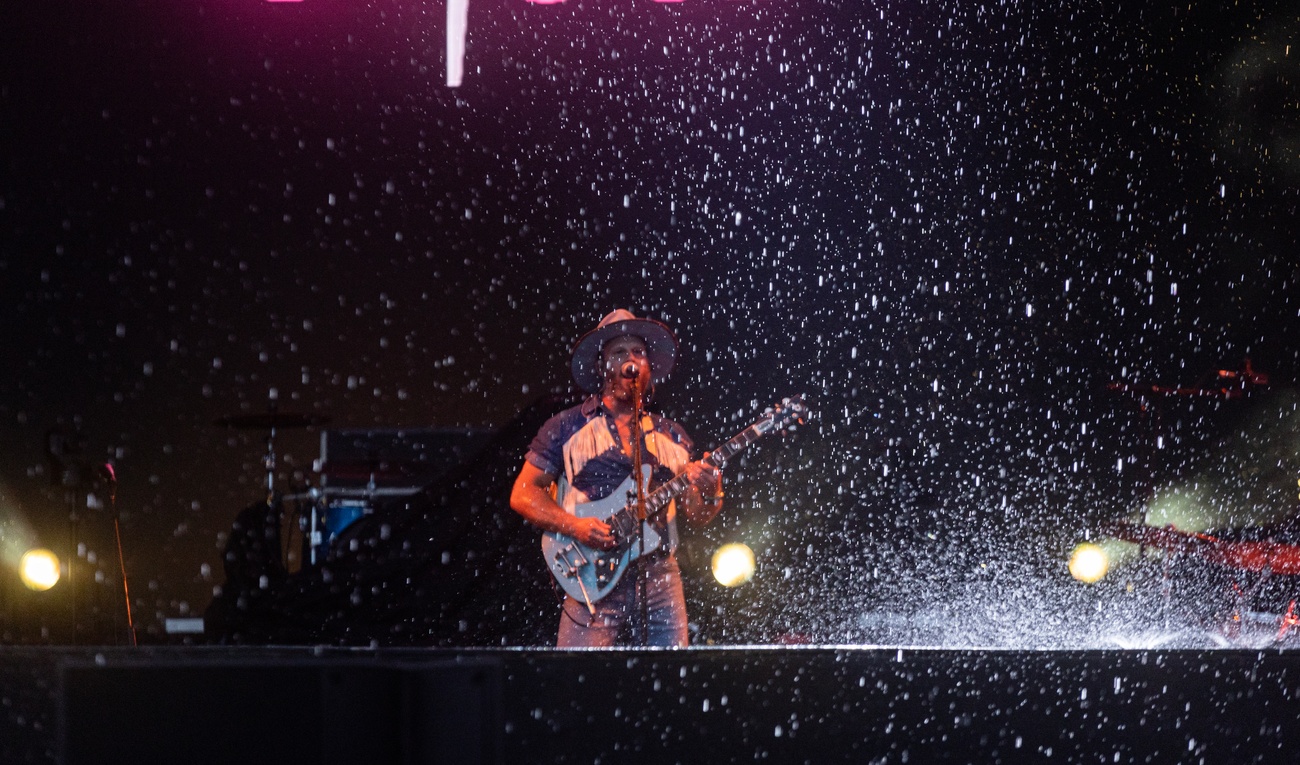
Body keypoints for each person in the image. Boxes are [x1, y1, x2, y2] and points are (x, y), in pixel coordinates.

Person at [510, 309, 724, 647]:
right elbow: (523, 494)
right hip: (590, 571)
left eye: (638, 352)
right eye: (619, 352)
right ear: (602, 366)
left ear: (649, 366)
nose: (631, 360)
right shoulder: (567, 427)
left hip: (659, 576)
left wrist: (712, 489)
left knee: (669, 681)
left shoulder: (671, 435)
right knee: (579, 683)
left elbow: (697, 515)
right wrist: (574, 526)